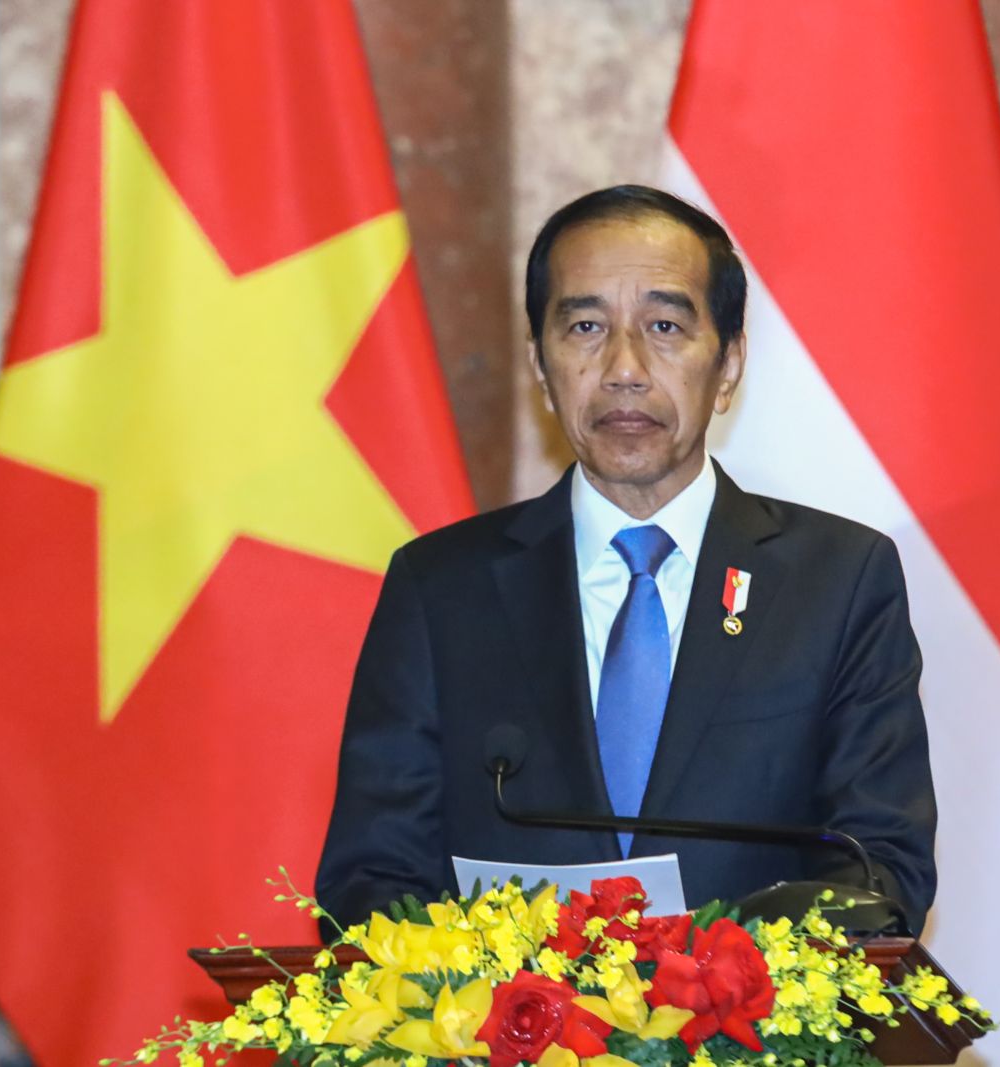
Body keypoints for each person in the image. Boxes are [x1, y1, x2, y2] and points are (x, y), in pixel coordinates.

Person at [315, 185, 936, 931]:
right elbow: (371, 876)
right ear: (540, 366)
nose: (624, 368)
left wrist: (728, 981)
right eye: (585, 326)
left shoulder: (837, 581)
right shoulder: (441, 588)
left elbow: (879, 864)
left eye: (665, 326)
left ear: (729, 363)